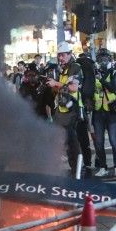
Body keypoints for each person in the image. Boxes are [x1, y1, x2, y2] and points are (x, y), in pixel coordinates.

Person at [46, 41, 83, 173]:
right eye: (59, 55)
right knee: (60, 137)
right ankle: (71, 167)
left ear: (70, 54)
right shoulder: (63, 69)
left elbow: (73, 87)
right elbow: (60, 89)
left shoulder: (75, 67)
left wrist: (56, 83)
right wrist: (52, 85)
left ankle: (77, 168)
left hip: (72, 109)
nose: (60, 58)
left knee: (71, 139)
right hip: (61, 108)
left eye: (63, 55)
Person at [91, 53, 116, 177]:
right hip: (98, 111)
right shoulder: (94, 73)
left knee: (113, 140)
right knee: (99, 142)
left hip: (111, 111)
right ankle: (103, 167)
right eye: (100, 59)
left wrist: (101, 79)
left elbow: (113, 87)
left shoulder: (114, 72)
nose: (103, 61)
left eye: (105, 59)